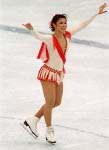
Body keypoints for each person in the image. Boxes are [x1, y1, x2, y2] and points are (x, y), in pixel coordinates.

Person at [21, 3, 107, 144]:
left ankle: (33, 120)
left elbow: (82, 25)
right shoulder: (50, 39)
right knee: (50, 102)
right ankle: (49, 130)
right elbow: (39, 37)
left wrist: (96, 14)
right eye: (61, 23)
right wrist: (31, 29)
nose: (64, 25)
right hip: (48, 73)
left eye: (65, 23)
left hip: (59, 74)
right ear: (54, 25)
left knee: (57, 102)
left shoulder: (67, 36)